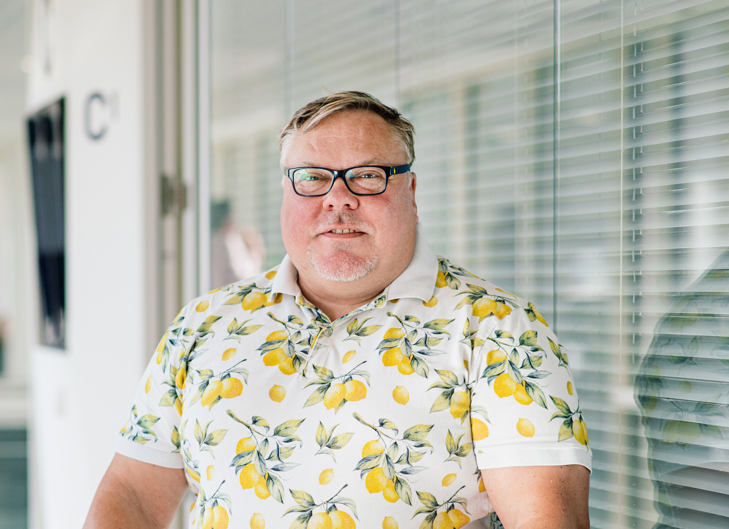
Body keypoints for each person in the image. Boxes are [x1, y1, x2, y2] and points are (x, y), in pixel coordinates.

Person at [84, 91, 591, 529]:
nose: (338, 198)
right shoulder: (204, 325)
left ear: (411, 191)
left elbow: (545, 518)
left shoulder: (498, 328)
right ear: (286, 191)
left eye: (367, 176)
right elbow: (132, 494)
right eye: (311, 177)